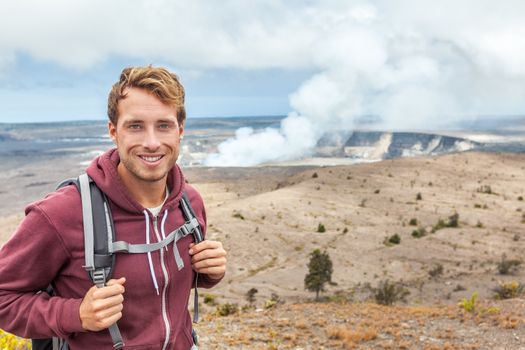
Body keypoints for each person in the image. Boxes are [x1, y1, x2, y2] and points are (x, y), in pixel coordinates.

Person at [0, 66, 227, 349]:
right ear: (113, 132)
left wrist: (206, 275)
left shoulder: (188, 202)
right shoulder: (62, 213)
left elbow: (159, 284)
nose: (152, 142)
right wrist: (76, 314)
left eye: (164, 125)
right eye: (135, 126)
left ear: (180, 130)